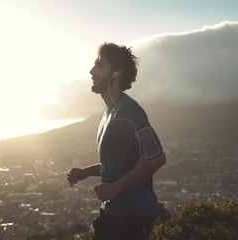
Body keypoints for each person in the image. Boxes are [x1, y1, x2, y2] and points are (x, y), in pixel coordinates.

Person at [67, 42, 166, 240]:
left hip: (132, 217)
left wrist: (115, 188)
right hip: (113, 213)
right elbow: (119, 164)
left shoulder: (129, 111)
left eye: (100, 65)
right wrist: (86, 172)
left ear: (117, 73)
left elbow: (156, 157)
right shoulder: (109, 114)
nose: (92, 71)